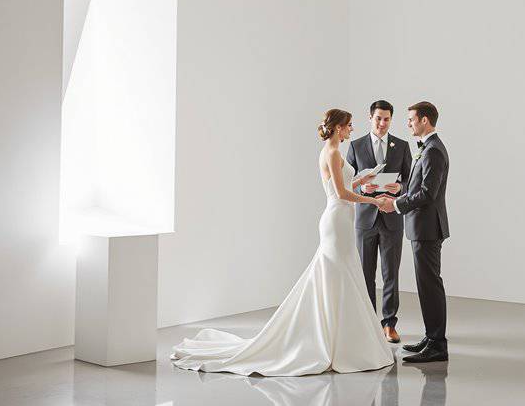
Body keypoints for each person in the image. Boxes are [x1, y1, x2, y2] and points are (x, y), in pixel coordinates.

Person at [170, 109, 395, 376]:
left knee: (340, 277)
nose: (351, 130)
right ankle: (332, 341)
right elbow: (341, 193)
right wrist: (375, 200)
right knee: (337, 276)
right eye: (348, 126)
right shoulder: (332, 153)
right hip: (336, 221)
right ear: (337, 128)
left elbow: (345, 185)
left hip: (342, 220)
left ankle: (338, 338)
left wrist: (362, 179)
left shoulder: (333, 152)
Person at [377, 101, 450, 363]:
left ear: (425, 121)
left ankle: (438, 344)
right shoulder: (428, 149)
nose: (408, 124)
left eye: (411, 119)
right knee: (426, 285)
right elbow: (418, 186)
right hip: (422, 227)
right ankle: (432, 338)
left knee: (430, 285)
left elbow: (428, 194)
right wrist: (399, 191)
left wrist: (396, 204)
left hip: (428, 228)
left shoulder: (433, 151)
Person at [346, 100, 413, 343]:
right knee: (365, 274)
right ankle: (368, 323)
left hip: (392, 218)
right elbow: (346, 182)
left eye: (386, 119)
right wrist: (363, 184)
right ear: (370, 118)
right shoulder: (355, 145)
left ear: (391, 120)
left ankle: (389, 324)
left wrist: (400, 186)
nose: (382, 123)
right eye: (378, 119)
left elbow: (411, 182)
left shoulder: (402, 146)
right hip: (365, 218)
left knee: (390, 274)